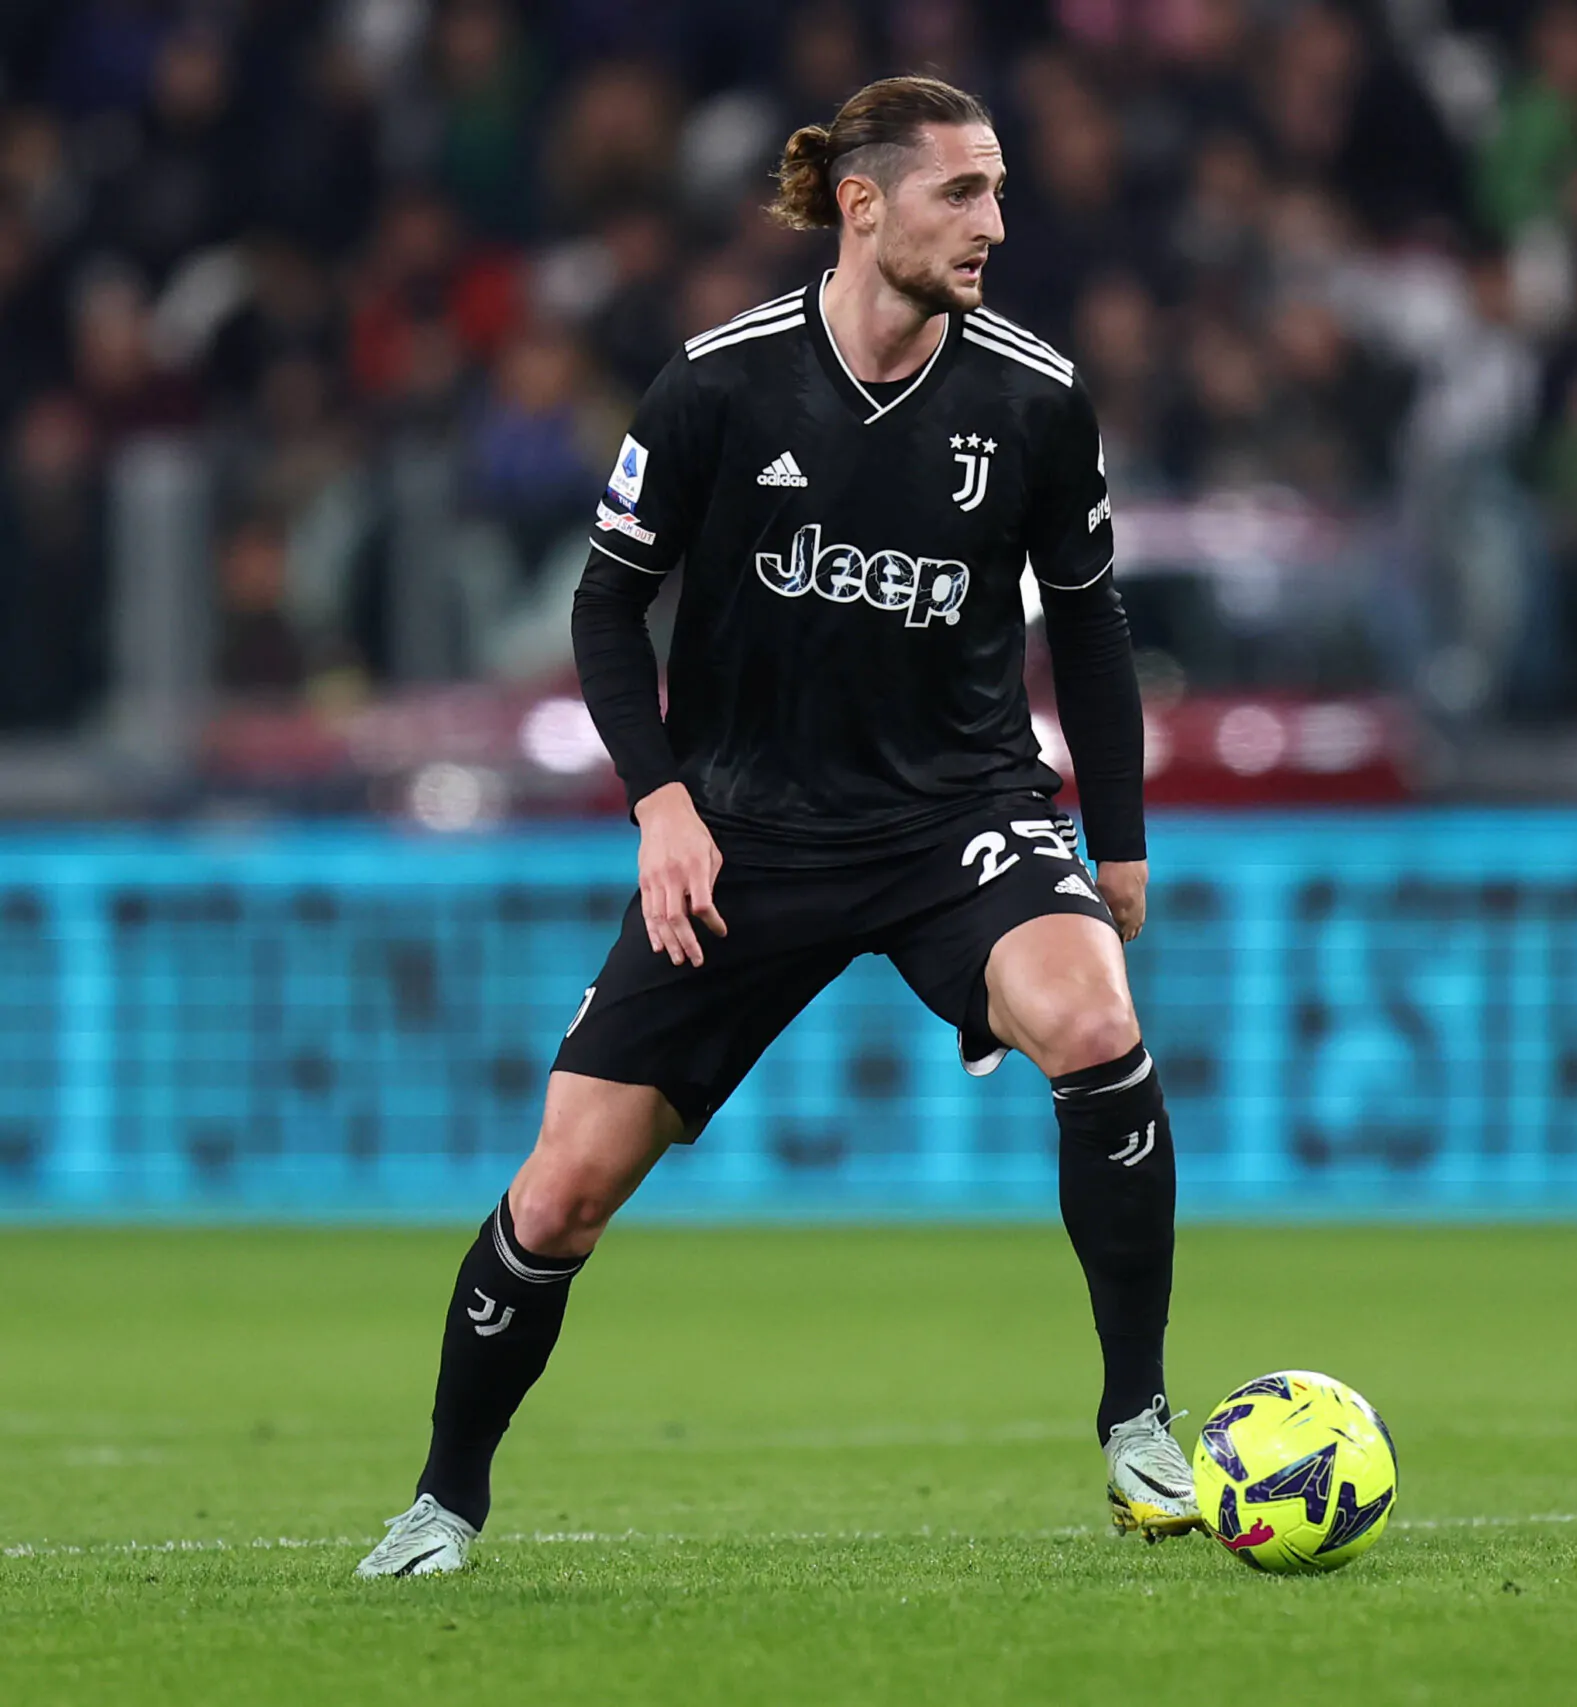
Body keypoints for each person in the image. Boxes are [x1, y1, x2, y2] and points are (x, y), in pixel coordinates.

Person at [357, 77, 1194, 1577]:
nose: (994, 224)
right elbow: (606, 605)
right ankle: (442, 1501)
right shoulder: (718, 386)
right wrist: (661, 803)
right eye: (962, 194)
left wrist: (1115, 838)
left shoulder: (1035, 397)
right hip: (744, 832)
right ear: (862, 204)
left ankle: (1139, 1420)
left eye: (999, 192)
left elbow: (1095, 620)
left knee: (1090, 1018)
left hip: (961, 813)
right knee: (560, 1191)